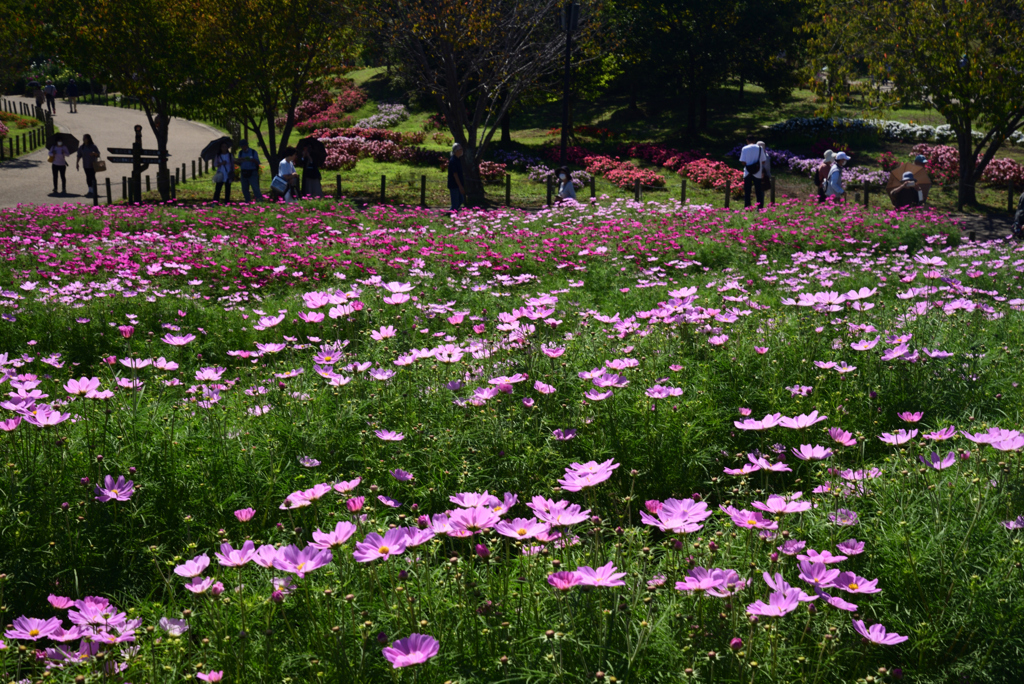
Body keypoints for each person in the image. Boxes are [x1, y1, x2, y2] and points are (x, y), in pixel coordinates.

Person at [739, 133, 767, 209]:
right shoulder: (760, 148)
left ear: (747, 140)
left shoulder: (744, 148)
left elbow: (743, 161)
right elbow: (763, 161)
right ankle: (759, 207)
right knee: (758, 191)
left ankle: (747, 206)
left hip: (747, 172)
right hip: (757, 172)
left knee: (747, 191)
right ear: (755, 140)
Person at [448, 143, 466, 211]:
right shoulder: (453, 161)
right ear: (456, 151)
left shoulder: (458, 159)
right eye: (461, 149)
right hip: (454, 185)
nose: (462, 150)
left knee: (461, 200)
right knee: (455, 203)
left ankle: (451, 212)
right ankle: (452, 213)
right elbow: (455, 175)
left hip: (458, 185)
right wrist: (460, 186)